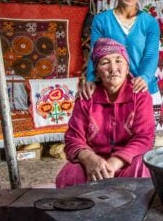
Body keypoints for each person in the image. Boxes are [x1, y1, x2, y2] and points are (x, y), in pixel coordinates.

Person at [56, 38, 154, 188]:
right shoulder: (86, 98)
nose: (113, 68)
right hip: (94, 162)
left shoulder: (139, 95)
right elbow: (73, 139)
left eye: (119, 61)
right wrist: (89, 159)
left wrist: (114, 163)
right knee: (68, 175)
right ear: (97, 72)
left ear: (127, 68)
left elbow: (144, 137)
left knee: (141, 171)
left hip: (126, 162)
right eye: (105, 62)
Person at [83, 0, 161, 121]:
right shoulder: (102, 20)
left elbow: (151, 55)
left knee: (145, 140)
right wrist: (90, 78)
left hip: (144, 89)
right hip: (112, 92)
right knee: (113, 140)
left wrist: (145, 77)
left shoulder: (150, 22)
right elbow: (95, 53)